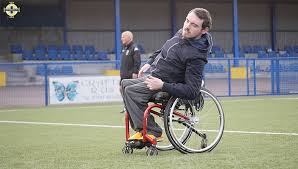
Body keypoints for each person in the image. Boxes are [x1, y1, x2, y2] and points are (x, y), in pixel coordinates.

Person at [121, 8, 213, 140]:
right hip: (157, 75)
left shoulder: (197, 55)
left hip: (166, 83)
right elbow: (163, 49)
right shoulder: (181, 33)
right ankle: (141, 129)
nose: (187, 26)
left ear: (203, 30)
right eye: (187, 21)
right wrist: (150, 61)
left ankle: (152, 131)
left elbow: (192, 91)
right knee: (124, 84)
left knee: (131, 92)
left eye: (194, 25)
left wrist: (163, 85)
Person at [119, 31, 141, 113]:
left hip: (130, 75)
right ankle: (126, 106)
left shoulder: (134, 48)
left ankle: (133, 108)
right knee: (121, 90)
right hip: (124, 75)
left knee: (130, 91)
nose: (121, 39)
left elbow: (137, 62)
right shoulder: (125, 48)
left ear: (129, 38)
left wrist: (135, 73)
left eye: (123, 37)